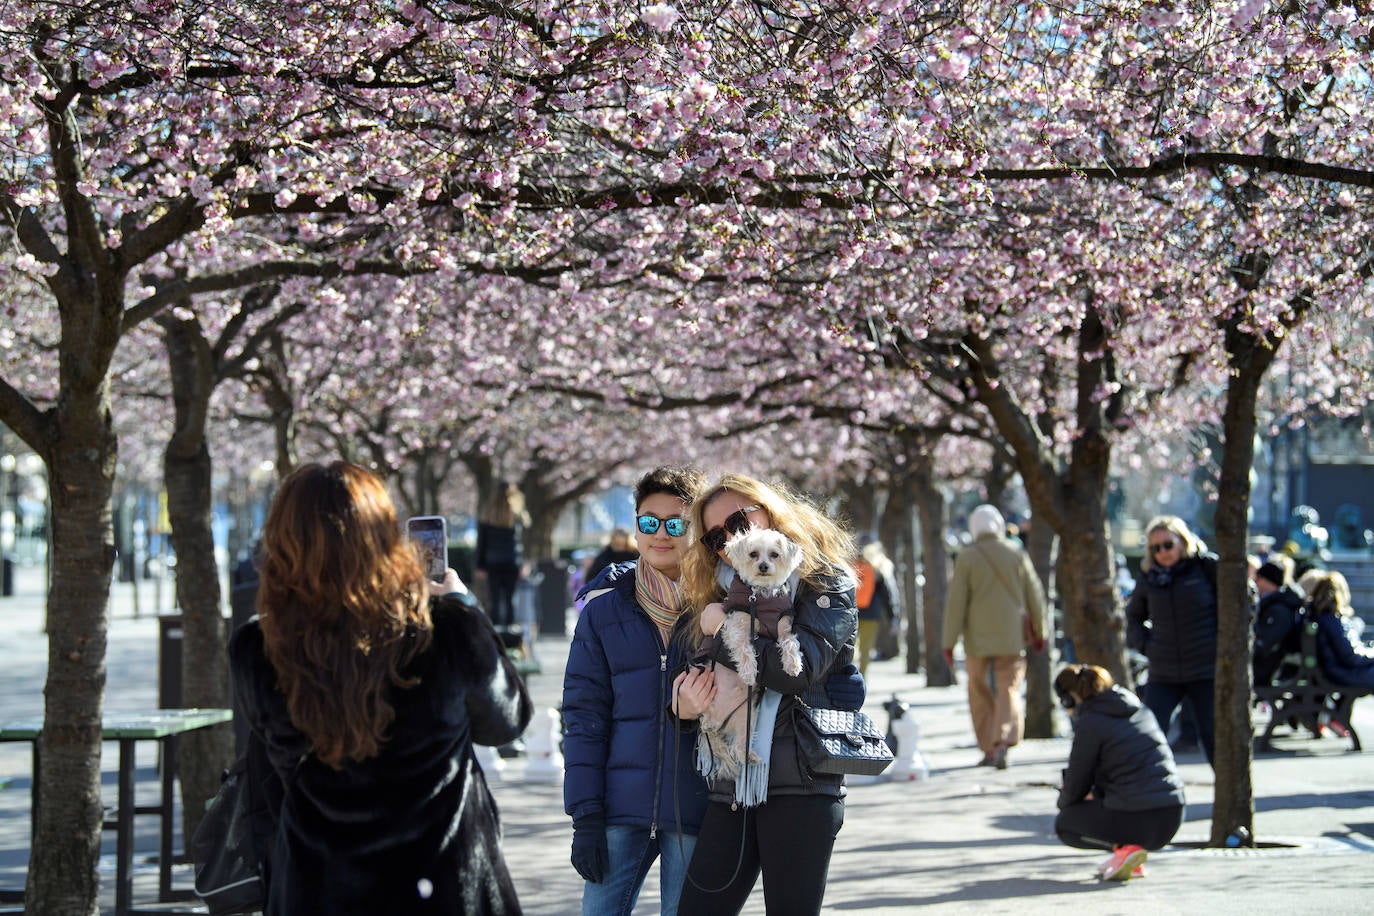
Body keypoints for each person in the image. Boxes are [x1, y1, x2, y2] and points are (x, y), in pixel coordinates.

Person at [229, 461, 533, 915]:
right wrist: (465, 607)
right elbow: (506, 722)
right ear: (384, 538)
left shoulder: (259, 648)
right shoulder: (447, 629)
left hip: (319, 885)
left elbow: (280, 758)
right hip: (443, 883)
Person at [671, 473, 858, 916]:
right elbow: (700, 676)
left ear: (769, 508)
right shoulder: (724, 589)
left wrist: (722, 632)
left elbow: (797, 672)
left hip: (802, 785)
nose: (732, 535)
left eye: (740, 518)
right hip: (732, 782)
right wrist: (680, 705)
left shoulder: (825, 581)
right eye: (717, 535)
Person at [561, 466, 711, 916]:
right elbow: (583, 718)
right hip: (618, 810)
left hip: (696, 808)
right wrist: (585, 816)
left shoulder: (722, 609)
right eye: (649, 521)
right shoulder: (602, 612)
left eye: (675, 523)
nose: (660, 534)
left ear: (696, 529)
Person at [1053, 664, 1185, 882]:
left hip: (1139, 815)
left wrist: (1066, 799)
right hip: (1173, 815)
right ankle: (1128, 854)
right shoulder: (1139, 709)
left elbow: (1075, 784)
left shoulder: (1090, 723)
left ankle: (1125, 850)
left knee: (1065, 823)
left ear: (1069, 699)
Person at [941, 504, 1048, 769]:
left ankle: (988, 748)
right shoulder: (1016, 553)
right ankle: (1004, 740)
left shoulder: (967, 557)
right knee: (1008, 687)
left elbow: (956, 603)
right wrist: (1041, 631)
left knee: (978, 689)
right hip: (1011, 636)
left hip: (977, 637)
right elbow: (1035, 594)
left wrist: (948, 642)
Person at [1125, 515, 1219, 767]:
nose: (1162, 552)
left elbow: (1239, 601)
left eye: (1168, 544)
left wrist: (1217, 644)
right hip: (1164, 670)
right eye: (1155, 548)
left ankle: (1228, 799)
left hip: (1205, 668)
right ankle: (1146, 792)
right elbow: (1133, 617)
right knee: (1149, 734)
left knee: (1214, 736)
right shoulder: (1149, 577)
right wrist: (1148, 646)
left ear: (1182, 541)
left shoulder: (1205, 567)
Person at [476, 481, 531, 628]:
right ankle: (510, 630)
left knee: (494, 599)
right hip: (512, 562)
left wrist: (480, 565)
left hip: (492, 562)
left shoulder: (488, 515)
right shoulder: (517, 516)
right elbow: (521, 543)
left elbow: (482, 543)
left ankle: (495, 630)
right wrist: (523, 562)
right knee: (510, 598)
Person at [1307, 570, 1374, 687]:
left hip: (1336, 670)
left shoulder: (1322, 616)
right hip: (1340, 673)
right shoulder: (1331, 619)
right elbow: (1351, 657)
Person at [1252, 559, 1304, 686]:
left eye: (1258, 578)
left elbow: (1264, 644)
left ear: (1266, 580)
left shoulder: (1279, 610)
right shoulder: (1279, 605)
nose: (1255, 582)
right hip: (1270, 665)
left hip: (1267, 670)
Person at [853, 538, 899, 674]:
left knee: (851, 647)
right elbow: (888, 594)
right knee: (866, 650)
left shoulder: (854, 565)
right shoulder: (879, 567)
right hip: (871, 615)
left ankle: (847, 678)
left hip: (851, 612)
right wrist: (893, 617)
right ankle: (861, 680)